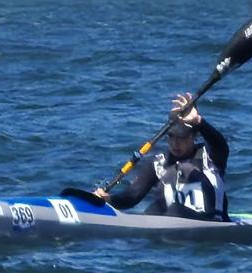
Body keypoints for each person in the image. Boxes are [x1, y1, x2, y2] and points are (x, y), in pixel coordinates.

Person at [94, 93, 230, 221]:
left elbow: (219, 143)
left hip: (211, 222)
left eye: (182, 137)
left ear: (194, 136)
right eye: (171, 137)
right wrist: (108, 200)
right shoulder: (159, 163)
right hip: (171, 223)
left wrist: (198, 122)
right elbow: (132, 196)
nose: (175, 143)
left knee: (175, 210)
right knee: (152, 211)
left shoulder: (210, 156)